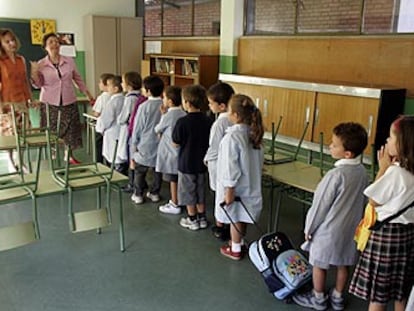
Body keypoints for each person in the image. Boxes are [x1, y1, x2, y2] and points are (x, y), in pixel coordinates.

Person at [292, 122, 369, 311]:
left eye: (334, 144)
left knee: (319, 263)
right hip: (351, 229)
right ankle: (338, 296)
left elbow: (320, 206)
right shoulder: (363, 172)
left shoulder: (335, 175)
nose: (329, 146)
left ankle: (318, 298)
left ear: (347, 154)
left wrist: (309, 228)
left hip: (328, 230)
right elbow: (365, 201)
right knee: (344, 263)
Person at [349, 116, 414, 311]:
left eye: (391, 138)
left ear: (404, 143)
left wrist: (383, 168)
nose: (386, 141)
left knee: (379, 295)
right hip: (408, 235)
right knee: (400, 291)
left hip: (386, 237)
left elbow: (373, 200)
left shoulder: (395, 172)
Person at [30, 32, 94, 165]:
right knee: (52, 130)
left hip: (68, 100)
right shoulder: (41, 64)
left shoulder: (69, 60)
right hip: (49, 102)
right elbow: (38, 84)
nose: (55, 44)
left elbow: (77, 78)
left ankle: (69, 155)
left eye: (56, 42)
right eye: (51, 42)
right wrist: (34, 73)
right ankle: (53, 153)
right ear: (45, 47)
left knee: (71, 130)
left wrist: (87, 93)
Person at [215, 94, 264, 260]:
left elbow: (230, 167)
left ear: (235, 115)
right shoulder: (253, 135)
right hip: (249, 184)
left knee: (234, 216)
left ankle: (235, 248)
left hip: (235, 186)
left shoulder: (232, 138)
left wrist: (229, 191)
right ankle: (239, 243)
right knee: (241, 215)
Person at [172, 84, 212, 230]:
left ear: (187, 103)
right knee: (201, 191)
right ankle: (202, 217)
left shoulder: (182, 122)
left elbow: (176, 143)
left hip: (186, 163)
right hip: (202, 163)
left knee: (188, 191)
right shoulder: (208, 121)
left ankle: (192, 218)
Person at [204, 82, 235, 240]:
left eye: (211, 103)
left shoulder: (219, 123)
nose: (209, 106)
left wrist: (206, 159)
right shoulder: (235, 119)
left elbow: (214, 147)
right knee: (228, 195)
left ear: (222, 106)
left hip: (218, 164)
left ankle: (220, 226)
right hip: (230, 165)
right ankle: (229, 225)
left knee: (219, 196)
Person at [0, 28, 32, 172]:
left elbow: (25, 81)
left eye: (12, 40)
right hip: (6, 103)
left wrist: (29, 99)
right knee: (10, 135)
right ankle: (11, 161)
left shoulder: (21, 60)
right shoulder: (1, 61)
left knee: (24, 134)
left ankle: (21, 160)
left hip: (22, 102)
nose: (11, 43)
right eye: (7, 42)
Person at [130, 75, 164, 204]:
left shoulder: (144, 106)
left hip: (145, 142)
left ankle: (138, 194)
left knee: (140, 170)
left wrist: (134, 143)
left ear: (148, 91)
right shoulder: (164, 105)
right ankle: (155, 193)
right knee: (157, 170)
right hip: (160, 143)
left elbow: (138, 127)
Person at [155, 86, 186, 214]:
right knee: (180, 178)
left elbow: (158, 128)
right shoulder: (184, 113)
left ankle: (174, 202)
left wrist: (163, 116)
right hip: (181, 152)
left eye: (164, 97)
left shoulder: (169, 115)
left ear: (170, 102)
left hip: (170, 152)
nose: (162, 99)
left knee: (173, 179)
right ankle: (180, 200)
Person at [116, 71, 143, 176]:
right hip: (135, 128)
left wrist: (119, 120)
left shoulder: (130, 99)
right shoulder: (140, 96)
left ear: (129, 85)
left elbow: (123, 117)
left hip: (128, 129)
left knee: (128, 153)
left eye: (123, 82)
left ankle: (131, 181)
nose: (121, 84)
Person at [95, 75, 124, 169]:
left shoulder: (112, 102)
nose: (107, 88)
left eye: (108, 85)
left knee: (112, 158)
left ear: (115, 89)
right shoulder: (124, 99)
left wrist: (100, 129)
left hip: (112, 133)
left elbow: (105, 120)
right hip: (121, 132)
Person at [92, 73, 114, 163]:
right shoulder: (116, 96)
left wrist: (94, 113)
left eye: (100, 82)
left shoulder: (102, 97)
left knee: (99, 146)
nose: (99, 84)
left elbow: (96, 113)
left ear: (106, 85)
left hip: (101, 126)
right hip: (112, 128)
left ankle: (99, 163)